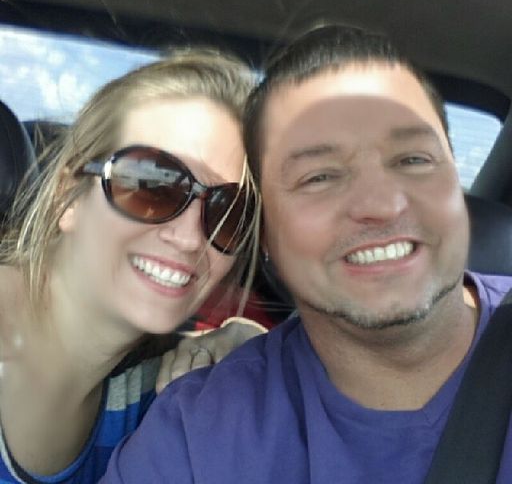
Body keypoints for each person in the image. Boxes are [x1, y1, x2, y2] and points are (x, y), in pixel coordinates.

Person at [100, 25, 512, 483]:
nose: (382, 204)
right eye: (319, 177)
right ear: (265, 235)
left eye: (413, 159)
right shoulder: (195, 435)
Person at [0, 48, 265, 483]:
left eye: (227, 211)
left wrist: (250, 349)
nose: (189, 237)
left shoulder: (157, 397)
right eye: (152, 184)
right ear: (68, 197)